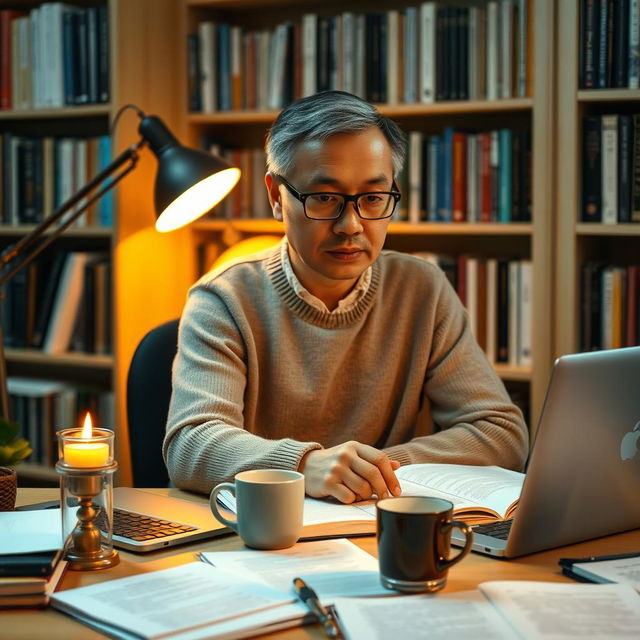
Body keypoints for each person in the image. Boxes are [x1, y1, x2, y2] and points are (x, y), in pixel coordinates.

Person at [163, 91, 528, 504]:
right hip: (264, 536)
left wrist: (376, 469)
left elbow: (501, 431)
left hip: (380, 529)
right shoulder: (224, 299)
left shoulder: (422, 289)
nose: (350, 225)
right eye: (325, 198)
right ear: (275, 197)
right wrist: (302, 465)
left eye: (373, 198)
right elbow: (191, 444)